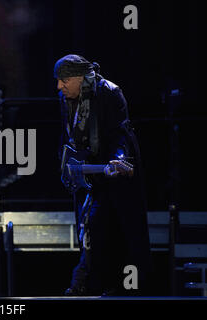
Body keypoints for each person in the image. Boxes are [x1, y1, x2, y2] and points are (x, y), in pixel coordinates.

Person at [55, 54, 151, 296]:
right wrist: (68, 164)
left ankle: (133, 288)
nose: (59, 86)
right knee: (92, 229)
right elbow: (68, 135)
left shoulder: (109, 92)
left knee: (126, 229)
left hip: (115, 170)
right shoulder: (66, 98)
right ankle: (93, 284)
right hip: (89, 173)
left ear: (79, 78)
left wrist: (119, 158)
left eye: (64, 80)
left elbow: (120, 132)